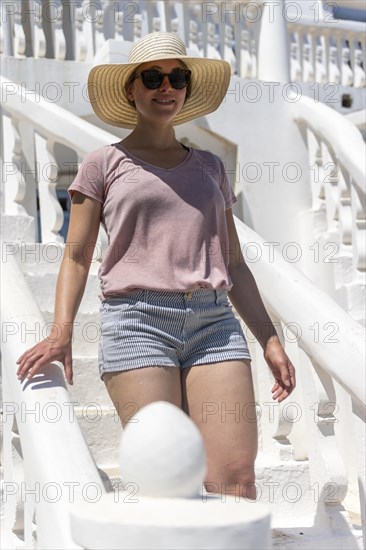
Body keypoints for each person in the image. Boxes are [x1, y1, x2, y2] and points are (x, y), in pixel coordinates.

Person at [16, 32, 296, 500]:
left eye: (177, 78)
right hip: (137, 322)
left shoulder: (210, 165)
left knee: (235, 480)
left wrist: (269, 338)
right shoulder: (102, 164)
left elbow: (234, 261)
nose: (166, 87)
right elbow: (77, 254)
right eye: (152, 77)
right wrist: (61, 331)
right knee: (165, 482)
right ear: (131, 89)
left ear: (186, 88)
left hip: (214, 323)